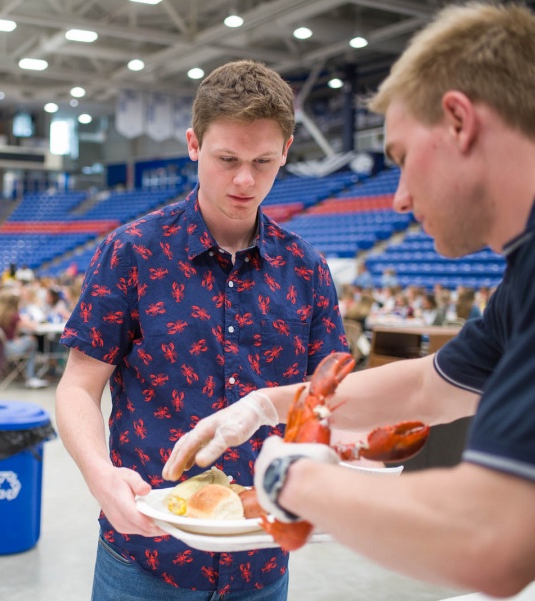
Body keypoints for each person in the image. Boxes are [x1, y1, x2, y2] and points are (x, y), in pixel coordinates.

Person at [162, 4, 535, 597]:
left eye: (402, 159)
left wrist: (296, 478)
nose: (400, 199)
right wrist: (264, 406)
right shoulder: (522, 279)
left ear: (459, 122)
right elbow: (425, 389)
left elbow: (488, 538)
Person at [55, 59, 347, 599]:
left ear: (286, 151)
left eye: (263, 161)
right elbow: (78, 384)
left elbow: (327, 398)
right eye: (227, 159)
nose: (244, 180)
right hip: (145, 553)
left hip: (262, 558)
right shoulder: (132, 252)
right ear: (194, 144)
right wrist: (98, 472)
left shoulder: (307, 269)